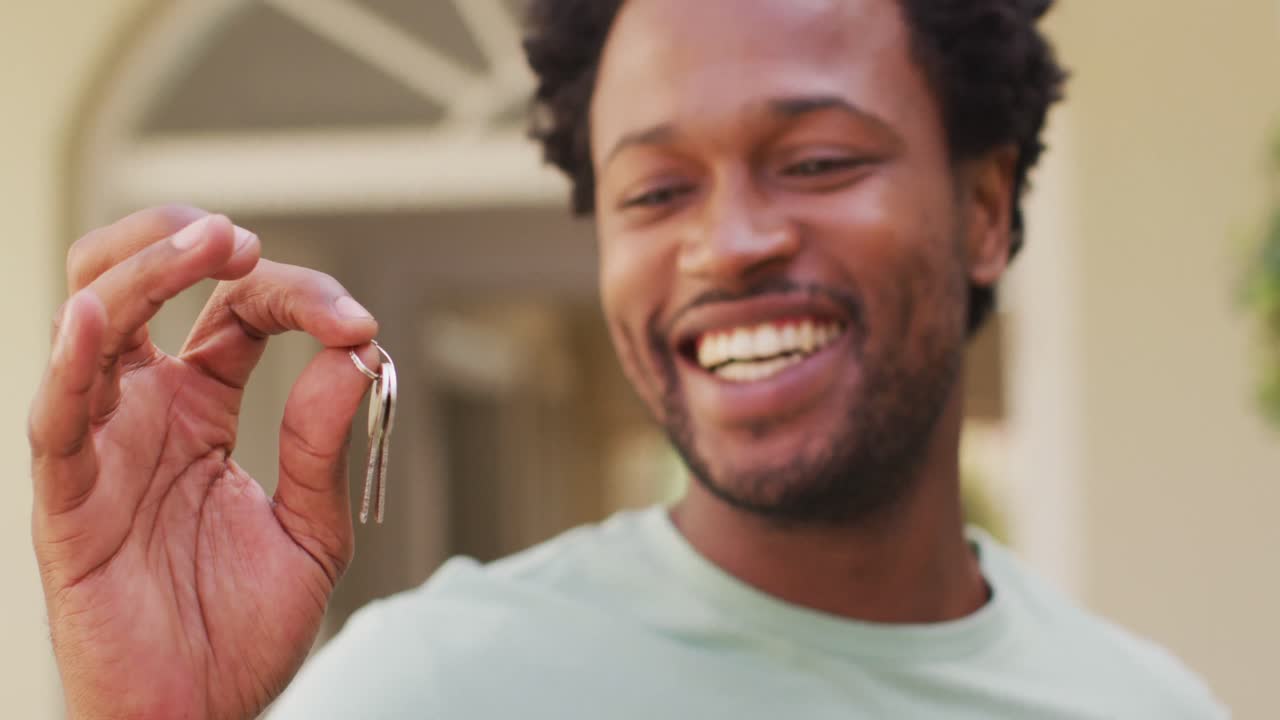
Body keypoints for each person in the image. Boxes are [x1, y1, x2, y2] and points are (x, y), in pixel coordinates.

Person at [27, 0, 1229, 718]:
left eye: (815, 160)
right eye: (654, 189)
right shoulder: (433, 691)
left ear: (979, 209)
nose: (729, 244)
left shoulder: (1141, 706)